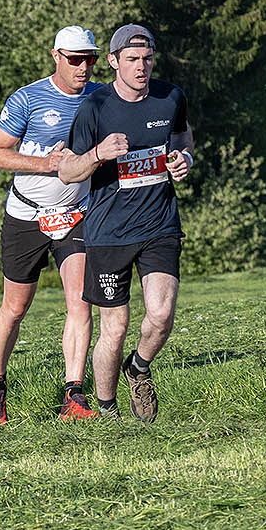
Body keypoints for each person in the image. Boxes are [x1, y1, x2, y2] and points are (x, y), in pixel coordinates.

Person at [58, 23, 193, 421]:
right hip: (109, 233)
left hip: (159, 225)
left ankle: (139, 367)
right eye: (132, 59)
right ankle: (108, 410)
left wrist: (184, 159)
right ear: (114, 61)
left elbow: (183, 138)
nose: (141, 67)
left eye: (147, 59)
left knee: (162, 314)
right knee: (114, 329)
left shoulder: (171, 97)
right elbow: (67, 171)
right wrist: (98, 153)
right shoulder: (95, 107)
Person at [0, 25, 104, 424]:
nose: (83, 67)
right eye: (75, 59)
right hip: (27, 214)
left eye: (89, 59)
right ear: (56, 56)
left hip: (75, 213)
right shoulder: (28, 98)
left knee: (80, 302)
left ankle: (74, 395)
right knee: (15, 308)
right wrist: (45, 163)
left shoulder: (101, 97)